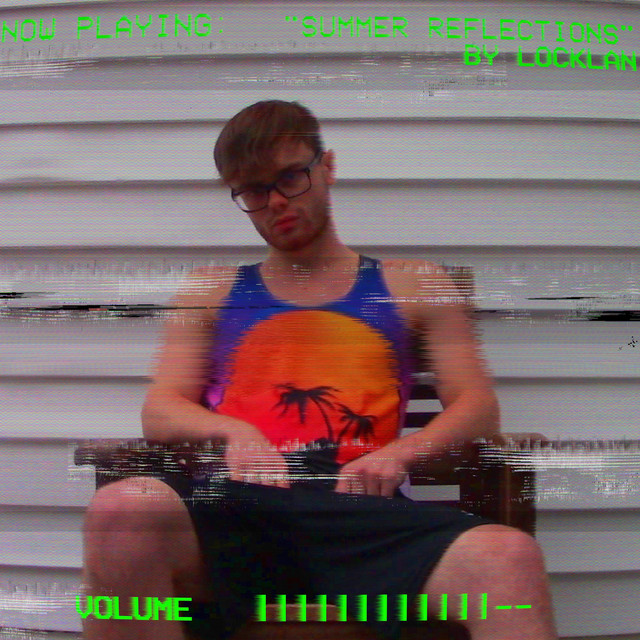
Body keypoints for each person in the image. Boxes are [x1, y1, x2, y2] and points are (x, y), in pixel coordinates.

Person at [81, 100, 559, 640]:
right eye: (254, 191)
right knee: (120, 511)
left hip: (361, 514)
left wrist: (400, 454)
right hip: (239, 511)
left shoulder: (413, 283)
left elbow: (478, 409)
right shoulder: (210, 292)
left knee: (508, 558)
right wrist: (234, 432)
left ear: (327, 166)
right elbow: (160, 411)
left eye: (291, 178)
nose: (277, 202)